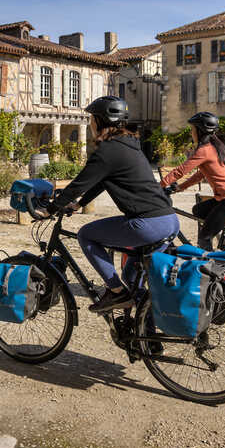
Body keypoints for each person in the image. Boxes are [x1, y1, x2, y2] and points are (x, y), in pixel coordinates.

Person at [43, 96, 179, 312]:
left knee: (86, 234)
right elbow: (103, 181)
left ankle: (116, 292)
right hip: (169, 220)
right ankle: (144, 340)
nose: (90, 123)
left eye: (91, 119)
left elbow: (78, 184)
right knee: (134, 278)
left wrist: (50, 209)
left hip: (148, 224)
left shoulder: (107, 151)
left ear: (99, 121)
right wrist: (79, 205)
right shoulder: (129, 145)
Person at [160, 111, 225, 250]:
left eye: (192, 129)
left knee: (204, 237)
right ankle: (223, 240)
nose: (191, 133)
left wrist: (157, 186)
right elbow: (200, 175)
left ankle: (207, 266)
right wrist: (181, 187)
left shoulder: (204, 150)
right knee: (199, 210)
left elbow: (180, 171)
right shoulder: (216, 148)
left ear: (200, 131)